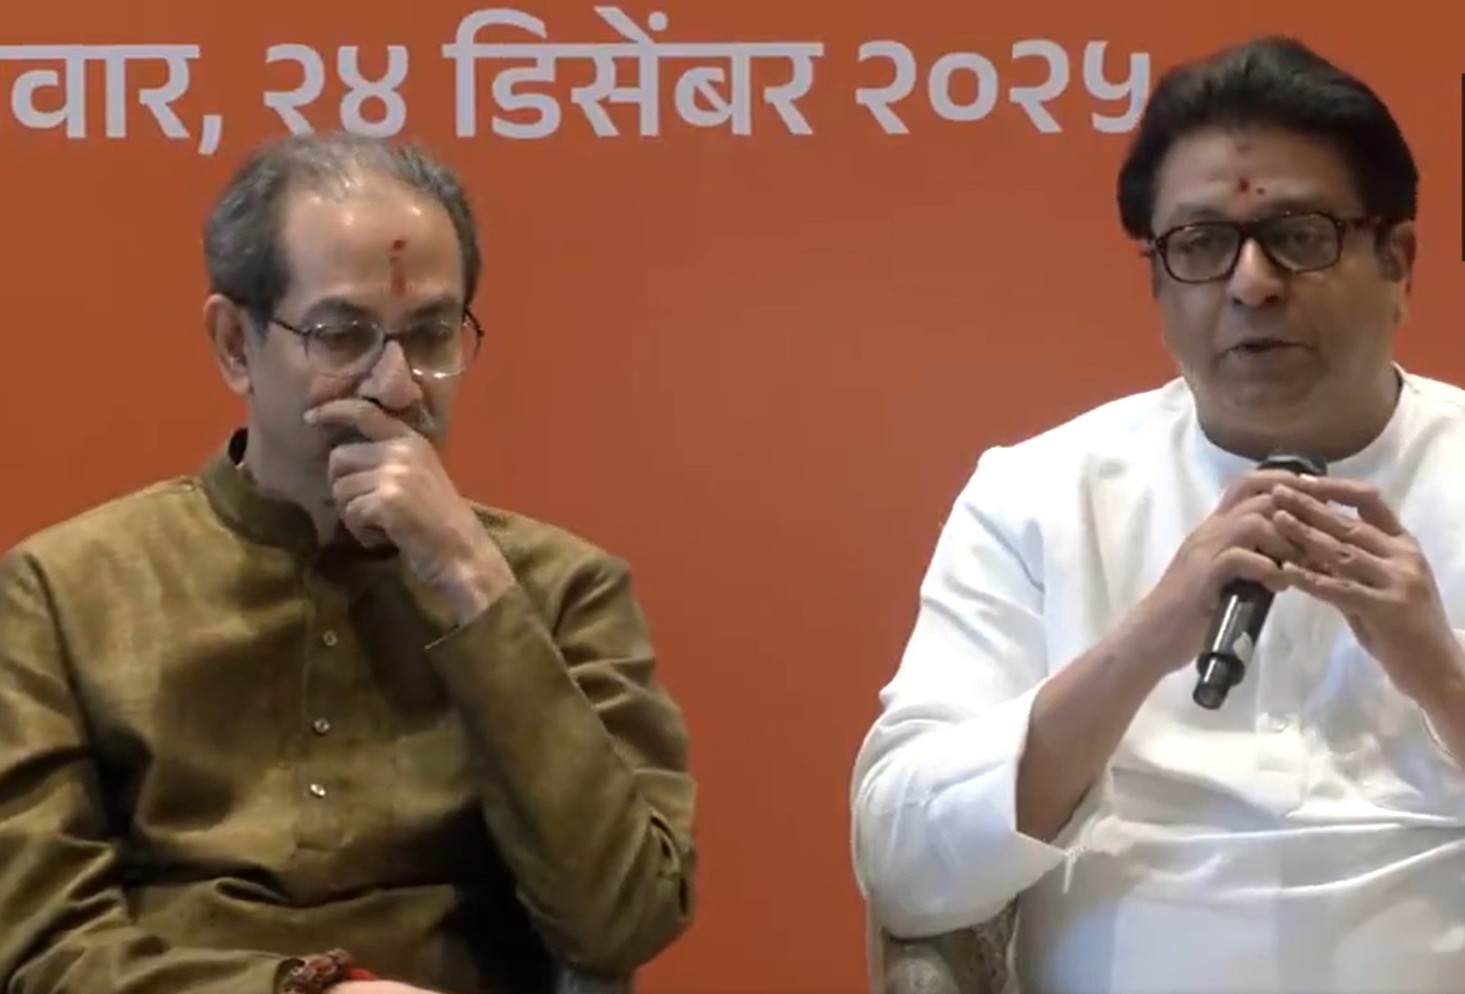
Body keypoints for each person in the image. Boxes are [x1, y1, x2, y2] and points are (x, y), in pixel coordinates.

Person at [0, 132, 696, 994]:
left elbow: (622, 920)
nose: (397, 386)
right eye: (342, 335)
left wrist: (473, 585)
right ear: (235, 343)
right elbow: (38, 947)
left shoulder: (559, 588)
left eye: (431, 335)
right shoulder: (66, 592)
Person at [850, 35, 1465, 993]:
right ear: (1156, 282)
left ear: (1397, 260)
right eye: (1201, 244)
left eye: (1300, 234)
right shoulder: (1038, 495)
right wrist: (1141, 644)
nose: (1251, 282)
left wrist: (1438, 672)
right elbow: (905, 864)